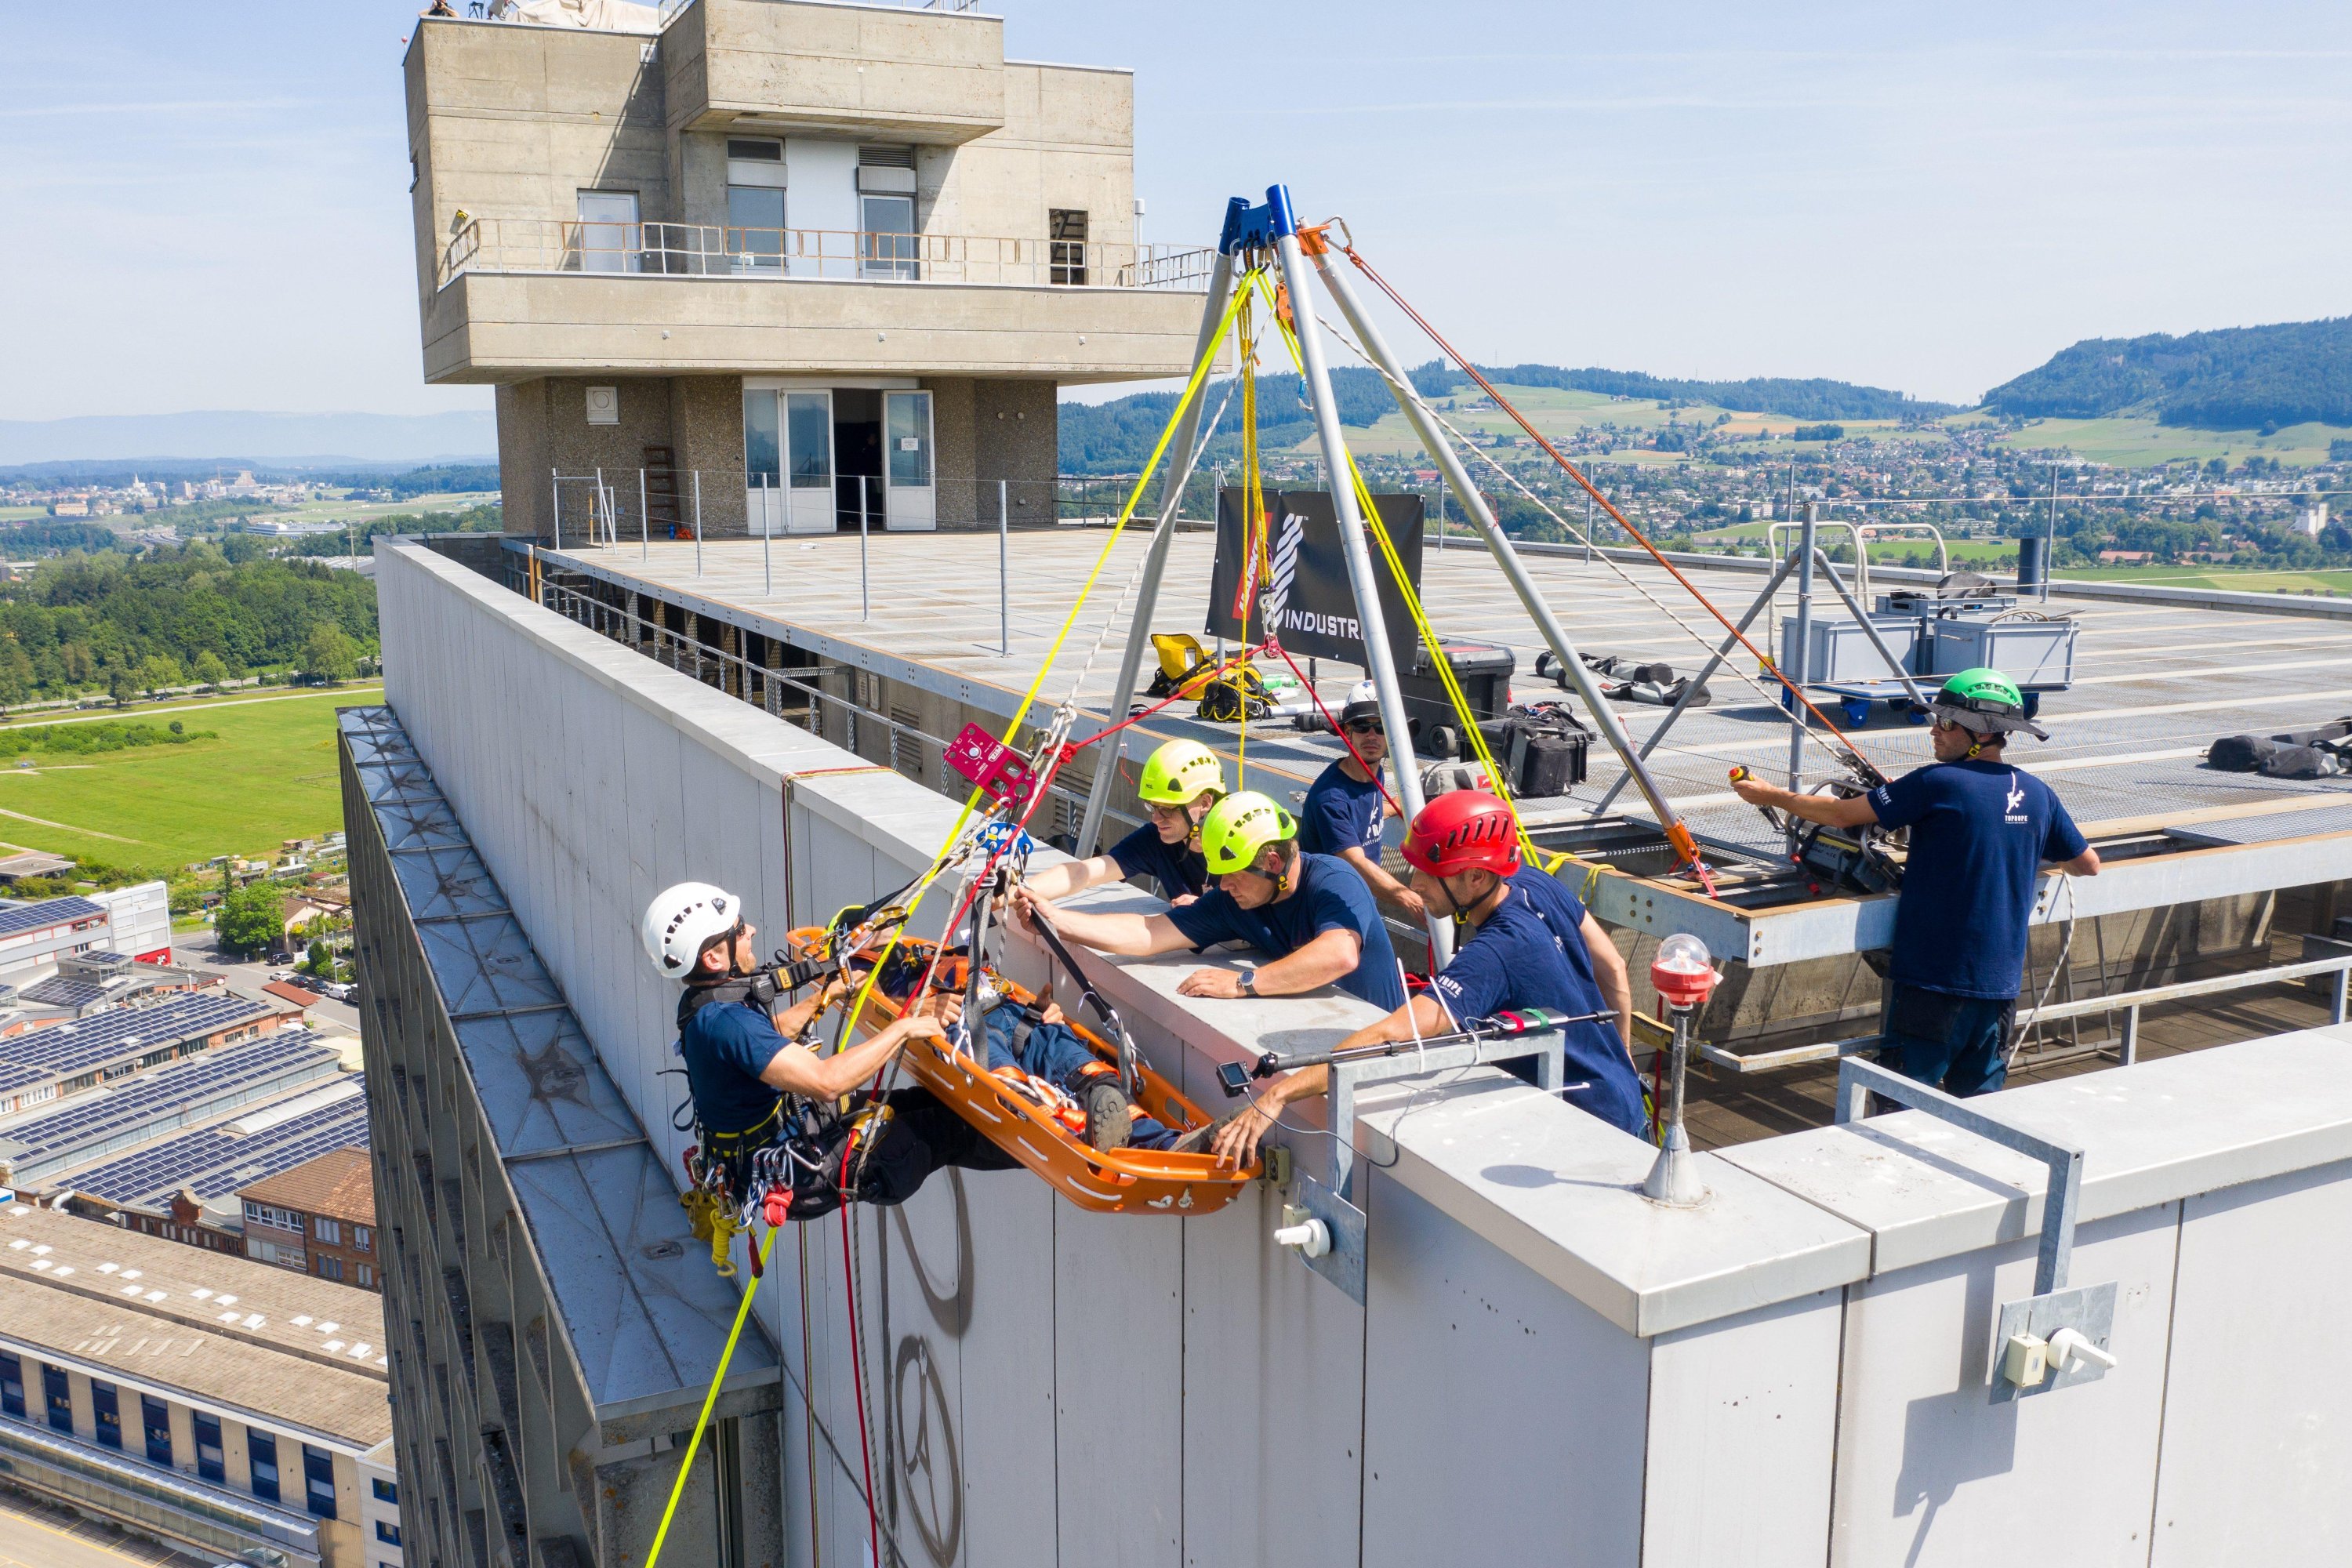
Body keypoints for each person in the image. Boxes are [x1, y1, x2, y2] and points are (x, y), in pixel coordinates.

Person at [1211, 790, 1649, 1167]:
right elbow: (1613, 967)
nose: (1415, 883)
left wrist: (1279, 1094)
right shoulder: (1535, 882)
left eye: (1429, 873)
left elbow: (1392, 1034)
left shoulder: (1496, 952)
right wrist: (1623, 1057)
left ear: (1475, 876)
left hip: (1588, 1128)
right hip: (1623, 1098)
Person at [1730, 667, 2101, 1098]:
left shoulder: (1937, 782)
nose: (1934, 730)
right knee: (1980, 1108)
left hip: (1933, 981)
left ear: (1982, 732)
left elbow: (1841, 814)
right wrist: (2009, 849)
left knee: (1901, 1102)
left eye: (1946, 722)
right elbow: (2087, 865)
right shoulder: (2038, 793)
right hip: (1999, 987)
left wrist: (1768, 795)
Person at [642, 882, 1015, 1207]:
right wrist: (904, 1028)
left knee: (921, 1103)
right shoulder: (727, 1022)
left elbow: (766, 1037)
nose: (751, 930)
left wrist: (828, 992)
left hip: (789, 1133)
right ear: (713, 958)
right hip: (804, 1169)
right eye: (739, 931)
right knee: (944, 1129)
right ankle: (1025, 1143)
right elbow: (827, 1082)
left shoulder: (704, 1004)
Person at [1011, 790, 1406, 1011]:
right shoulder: (1236, 900)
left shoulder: (1335, 881)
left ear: (1272, 862)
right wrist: (1055, 920)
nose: (1223, 886)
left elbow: (1340, 955)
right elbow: (1149, 933)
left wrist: (1242, 982)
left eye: (1232, 875)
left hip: (1385, 1038)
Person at [1020, 739, 1221, 905]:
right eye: (1153, 807)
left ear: (1205, 803)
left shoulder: (1235, 842)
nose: (1156, 818)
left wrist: (1205, 908)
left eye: (1167, 809)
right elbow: (1083, 873)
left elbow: (1241, 912)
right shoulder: (1156, 839)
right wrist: (1016, 892)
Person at [1298, 682, 1426, 922]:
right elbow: (1355, 862)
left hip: (1360, 900)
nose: (1372, 736)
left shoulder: (1374, 773)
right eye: (1362, 726)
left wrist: (1393, 807)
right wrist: (1408, 897)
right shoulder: (1330, 798)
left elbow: (1361, 816)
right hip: (1328, 910)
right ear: (1347, 731)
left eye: (1381, 727)